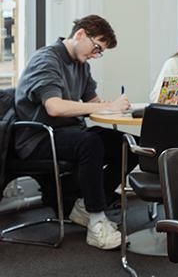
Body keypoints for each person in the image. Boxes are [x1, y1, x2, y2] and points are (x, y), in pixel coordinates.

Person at [14, 15, 136, 250]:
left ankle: (83, 204)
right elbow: (55, 107)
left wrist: (119, 106)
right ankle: (97, 220)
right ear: (80, 34)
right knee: (90, 142)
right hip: (38, 137)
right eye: (97, 47)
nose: (95, 54)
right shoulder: (46, 60)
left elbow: (94, 102)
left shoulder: (82, 66)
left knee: (129, 144)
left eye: (100, 51)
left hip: (68, 133)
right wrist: (105, 107)